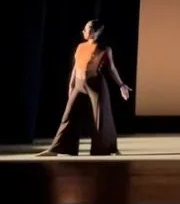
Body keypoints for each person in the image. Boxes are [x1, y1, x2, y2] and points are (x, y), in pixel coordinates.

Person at [37, 19, 132, 156]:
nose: (84, 30)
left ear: (95, 31)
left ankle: (107, 148)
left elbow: (111, 69)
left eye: (87, 28)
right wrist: (71, 85)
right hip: (79, 85)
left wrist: (121, 85)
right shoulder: (81, 47)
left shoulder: (104, 49)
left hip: (96, 84)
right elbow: (76, 68)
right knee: (68, 115)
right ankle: (58, 148)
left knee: (101, 117)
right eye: (85, 28)